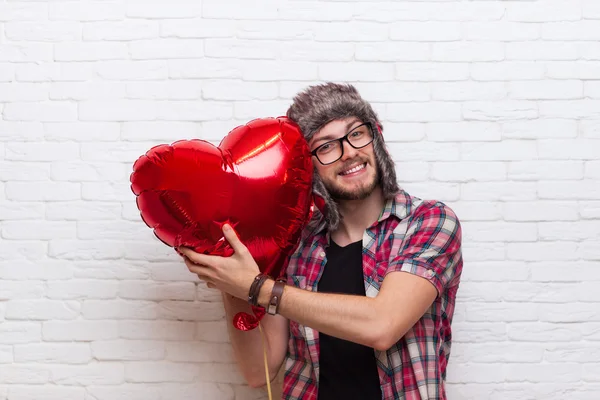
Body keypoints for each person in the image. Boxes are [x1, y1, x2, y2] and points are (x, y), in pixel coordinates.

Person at [179, 82, 463, 400]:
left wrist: (257, 287)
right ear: (307, 166)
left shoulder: (428, 222)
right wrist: (233, 280)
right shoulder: (296, 245)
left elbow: (383, 324)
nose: (349, 152)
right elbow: (258, 371)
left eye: (356, 133)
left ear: (376, 138)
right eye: (326, 146)